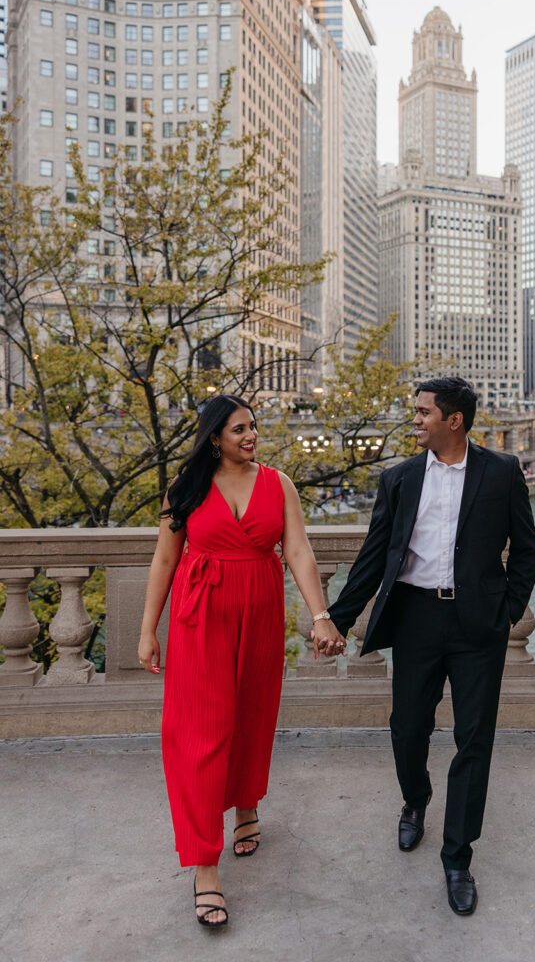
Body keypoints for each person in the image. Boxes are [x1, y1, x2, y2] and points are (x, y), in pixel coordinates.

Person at [328, 377, 535, 916]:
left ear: (455, 420)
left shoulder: (501, 472)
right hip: (417, 617)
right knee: (408, 726)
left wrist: (507, 610)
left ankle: (457, 856)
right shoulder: (398, 478)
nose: (414, 420)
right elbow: (375, 557)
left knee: (474, 739)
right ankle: (415, 801)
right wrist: (336, 618)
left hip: (478, 626)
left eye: (423, 412)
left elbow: (526, 548)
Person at [137, 395, 346, 928]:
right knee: (199, 731)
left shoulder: (279, 484)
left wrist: (320, 614)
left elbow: (298, 550)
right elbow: (165, 558)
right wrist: (147, 631)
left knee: (251, 717)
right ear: (213, 438)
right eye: (238, 429)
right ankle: (205, 865)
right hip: (198, 618)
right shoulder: (184, 489)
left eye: (253, 426)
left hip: (259, 613)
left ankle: (247, 803)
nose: (251, 436)